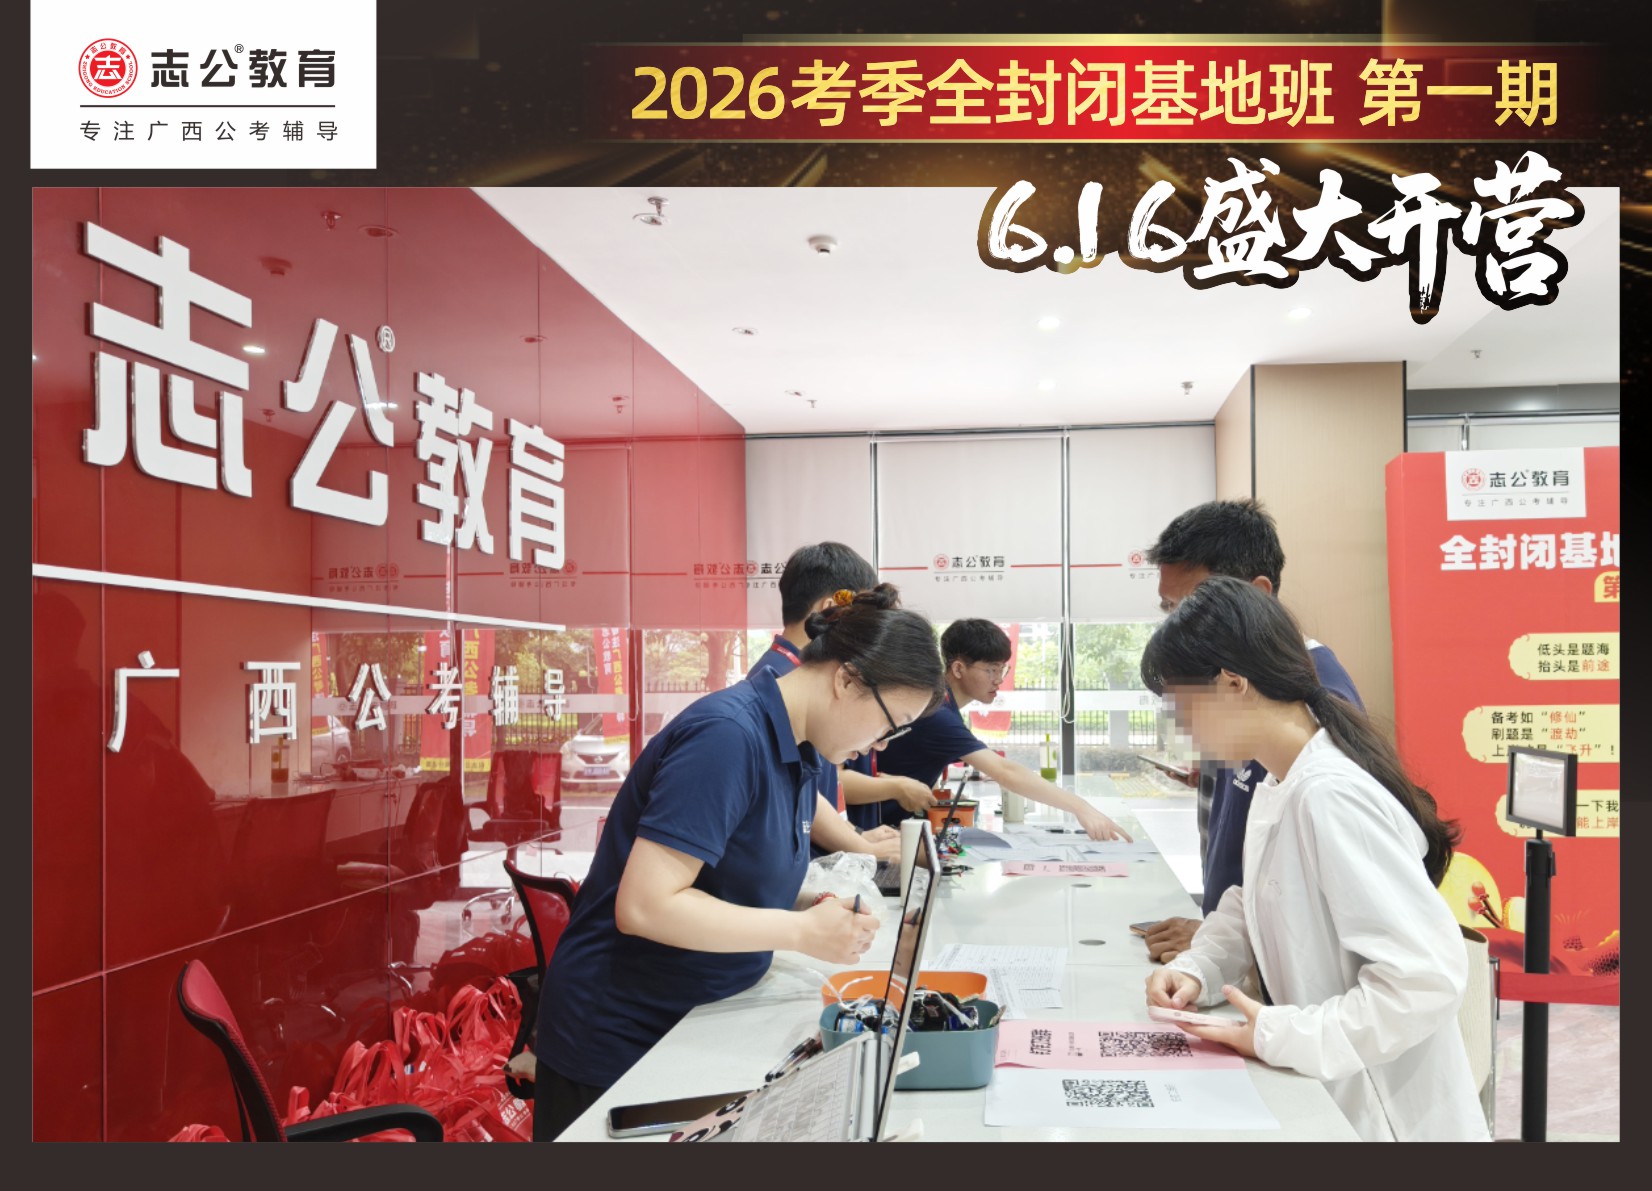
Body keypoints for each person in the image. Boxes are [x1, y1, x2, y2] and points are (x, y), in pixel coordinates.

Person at [533, 585, 946, 1140]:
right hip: (621, 1035)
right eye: (890, 723)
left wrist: (815, 902)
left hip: (694, 1017)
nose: (883, 745)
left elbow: (736, 871)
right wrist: (801, 931)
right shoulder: (727, 737)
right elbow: (646, 907)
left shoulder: (800, 748)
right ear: (847, 679)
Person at [1140, 576, 1485, 1142]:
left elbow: (1423, 980)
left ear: (1232, 684)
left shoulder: (1329, 794)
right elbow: (1258, 899)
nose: (1180, 727)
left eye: (1181, 705)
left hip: (1387, 1114)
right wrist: (1198, 968)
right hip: (1329, 1091)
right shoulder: (1281, 780)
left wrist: (1279, 1034)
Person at [1141, 498, 1363, 963]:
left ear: (1256, 594)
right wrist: (1218, 939)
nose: (1177, 625)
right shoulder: (1236, 688)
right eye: (1169, 608)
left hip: (1286, 974)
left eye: (1191, 606)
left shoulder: (1311, 719)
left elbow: (1321, 900)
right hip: (1242, 953)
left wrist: (1225, 942)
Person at [845, 618, 1130, 841]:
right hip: (866, 829)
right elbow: (1006, 771)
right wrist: (1081, 807)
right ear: (958, 669)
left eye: (1002, 670)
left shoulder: (943, 704)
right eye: (991, 670)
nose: (998, 680)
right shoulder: (936, 712)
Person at [748, 542, 930, 852]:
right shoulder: (781, 682)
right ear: (830, 607)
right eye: (862, 614)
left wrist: (856, 836)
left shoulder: (794, 672)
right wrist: (860, 844)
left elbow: (811, 791)